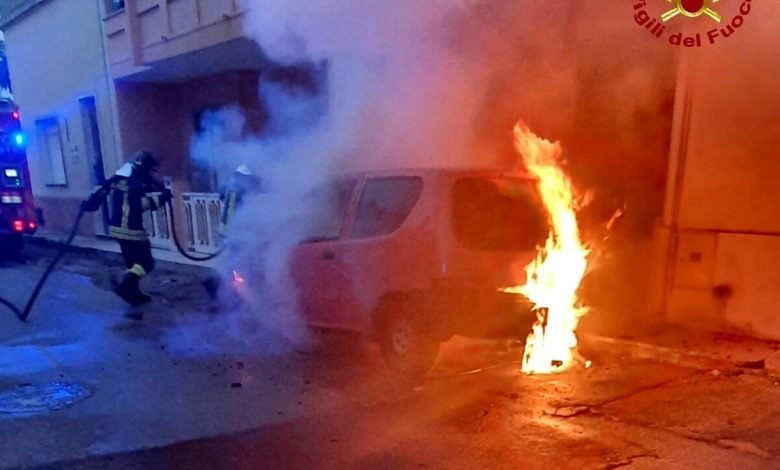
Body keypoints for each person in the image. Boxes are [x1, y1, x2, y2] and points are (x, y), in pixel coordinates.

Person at [82, 150, 171, 306]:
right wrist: (162, 198)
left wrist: (89, 204)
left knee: (132, 264)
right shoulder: (135, 183)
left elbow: (100, 192)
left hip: (117, 229)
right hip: (132, 230)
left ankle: (134, 294)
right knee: (146, 263)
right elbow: (140, 204)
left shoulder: (117, 179)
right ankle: (125, 285)